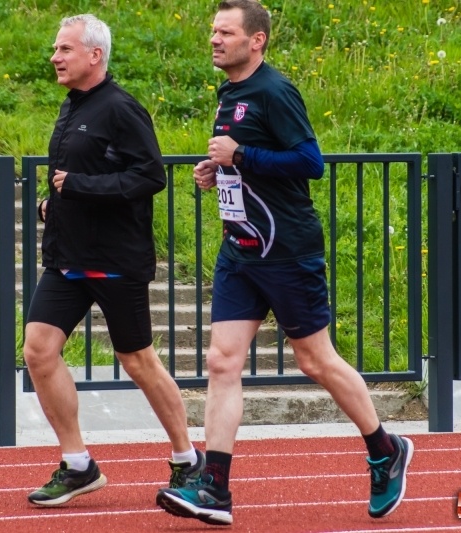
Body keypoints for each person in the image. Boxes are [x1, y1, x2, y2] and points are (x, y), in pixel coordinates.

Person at [155, 0, 412, 525]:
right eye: (212, 31)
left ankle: (385, 449)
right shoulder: (230, 92)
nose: (213, 39)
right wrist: (218, 171)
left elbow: (309, 162)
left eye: (225, 32)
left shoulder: (274, 90)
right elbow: (242, 157)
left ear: (257, 41)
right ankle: (215, 489)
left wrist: (241, 157)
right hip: (240, 249)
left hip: (286, 251)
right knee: (222, 362)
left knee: (315, 361)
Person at [24, 13, 203, 507]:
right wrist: (54, 204)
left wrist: (78, 188)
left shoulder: (122, 109)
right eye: (56, 49)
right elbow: (74, 175)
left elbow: (150, 177)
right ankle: (78, 464)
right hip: (67, 259)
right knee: (38, 350)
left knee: (137, 360)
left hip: (114, 261)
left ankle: (188, 458)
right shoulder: (72, 105)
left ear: (94, 55)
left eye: (64, 49)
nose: (54, 57)